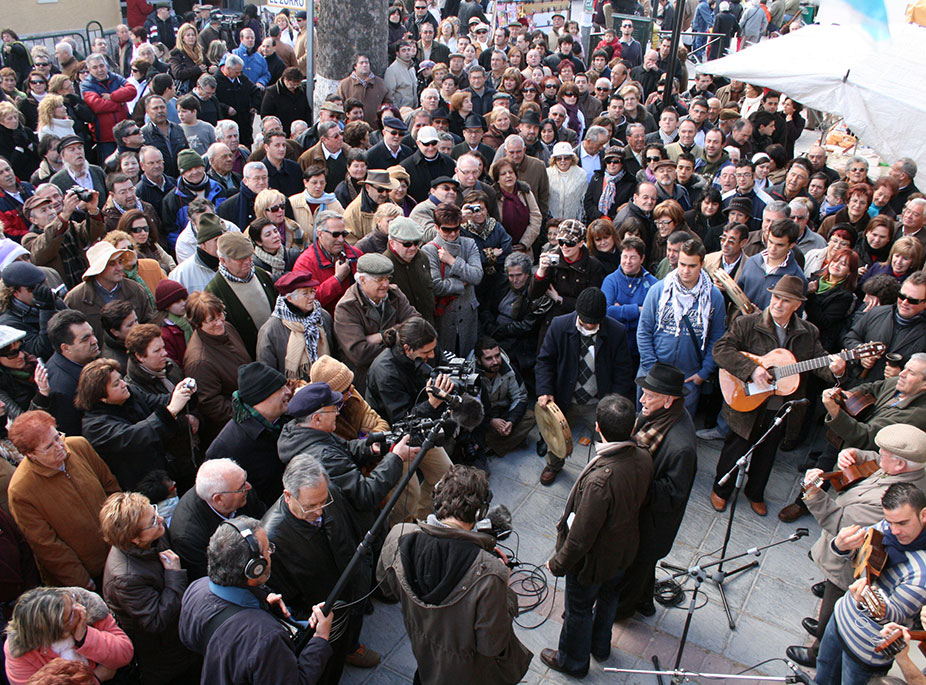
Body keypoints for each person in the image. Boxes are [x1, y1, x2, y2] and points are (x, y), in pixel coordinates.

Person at [785, 425, 926, 670]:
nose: (878, 454)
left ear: (900, 465)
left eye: (884, 453)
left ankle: (818, 652)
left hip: (850, 565)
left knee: (834, 600)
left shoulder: (892, 499)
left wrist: (814, 494)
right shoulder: (913, 469)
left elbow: (840, 523)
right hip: (862, 555)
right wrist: (853, 454)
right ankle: (822, 626)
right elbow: (874, 459)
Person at [377, 464, 533, 684]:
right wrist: (505, 589)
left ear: (438, 500)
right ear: (480, 513)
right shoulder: (491, 573)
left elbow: (386, 586)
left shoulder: (398, 535)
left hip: (425, 659)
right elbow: (492, 645)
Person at [710, 275, 839, 515]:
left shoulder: (808, 332)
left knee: (767, 452)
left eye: (786, 301)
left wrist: (835, 369)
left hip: (778, 405)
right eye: (776, 297)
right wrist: (752, 369)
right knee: (735, 448)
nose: (778, 304)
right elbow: (721, 350)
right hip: (746, 398)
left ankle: (755, 492)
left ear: (797, 305)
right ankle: (721, 489)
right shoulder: (747, 323)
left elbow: (819, 363)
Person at [178, 515, 333, 683]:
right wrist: (320, 639)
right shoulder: (266, 636)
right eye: (267, 550)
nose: (270, 553)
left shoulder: (195, 589)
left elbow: (189, 640)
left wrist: (260, 601)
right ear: (254, 570)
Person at [813, 483, 926, 684]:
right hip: (841, 618)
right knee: (822, 677)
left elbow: (896, 616)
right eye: (890, 522)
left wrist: (867, 598)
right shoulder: (887, 527)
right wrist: (841, 546)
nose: (895, 530)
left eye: (902, 523)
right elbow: (861, 551)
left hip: (867, 649)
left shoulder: (921, 570)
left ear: (923, 515)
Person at [614, 363, 698, 619]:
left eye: (650, 395)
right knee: (643, 569)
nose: (642, 400)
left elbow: (673, 495)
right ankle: (645, 603)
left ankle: (621, 612)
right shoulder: (660, 416)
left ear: (669, 400)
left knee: (636, 569)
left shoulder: (681, 446)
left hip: (651, 526)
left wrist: (632, 479)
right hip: (643, 520)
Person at [6, 410, 120, 589]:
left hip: (120, 550)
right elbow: (48, 546)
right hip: (90, 574)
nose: (60, 446)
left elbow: (110, 487)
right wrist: (82, 582)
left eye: (57, 437)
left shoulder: (78, 446)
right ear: (31, 454)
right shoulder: (21, 490)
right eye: (49, 447)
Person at [535, 288, 634, 484]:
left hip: (599, 401)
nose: (589, 326)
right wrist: (545, 390)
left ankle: (602, 474)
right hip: (564, 398)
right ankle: (553, 464)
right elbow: (545, 361)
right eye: (585, 321)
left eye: (593, 323)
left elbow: (623, 372)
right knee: (555, 437)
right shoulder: (559, 325)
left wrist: (615, 405)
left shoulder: (616, 331)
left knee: (607, 442)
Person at [99, 492, 200, 684]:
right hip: (166, 657)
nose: (160, 518)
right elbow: (157, 620)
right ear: (134, 539)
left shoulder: (154, 536)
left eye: (154, 511)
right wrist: (174, 575)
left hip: (182, 640)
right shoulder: (125, 578)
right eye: (152, 521)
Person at [364, 317, 455, 518]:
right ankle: (398, 536)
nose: (432, 356)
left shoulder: (427, 349)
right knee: (408, 496)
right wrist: (432, 403)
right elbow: (401, 420)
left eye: (433, 349)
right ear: (407, 349)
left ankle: (421, 520)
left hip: (421, 425)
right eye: (426, 353)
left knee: (446, 476)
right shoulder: (385, 371)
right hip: (394, 436)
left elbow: (441, 365)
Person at [76, 357, 196, 491]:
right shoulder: (96, 427)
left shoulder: (131, 393)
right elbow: (137, 435)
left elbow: (158, 402)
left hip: (164, 470)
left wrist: (183, 393)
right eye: (116, 384)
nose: (123, 384)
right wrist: (171, 410)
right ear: (101, 396)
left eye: (120, 379)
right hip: (138, 486)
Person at [637, 239, 726, 414]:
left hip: (688, 376)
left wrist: (703, 373)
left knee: (679, 425)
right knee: (646, 421)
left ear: (702, 264)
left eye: (692, 266)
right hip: (653, 370)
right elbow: (644, 330)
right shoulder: (659, 290)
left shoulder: (713, 297)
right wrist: (650, 366)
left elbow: (717, 337)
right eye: (682, 264)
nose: (685, 271)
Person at [3, 586, 134, 685]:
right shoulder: (19, 651)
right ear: (57, 631)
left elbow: (125, 653)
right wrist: (96, 678)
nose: (80, 609)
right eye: (71, 614)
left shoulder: (90, 607)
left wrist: (85, 637)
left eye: (72, 600)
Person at [205, 362, 291, 506]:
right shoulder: (226, 447)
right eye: (280, 388)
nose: (288, 391)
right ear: (262, 397)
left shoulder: (286, 420)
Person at [844, 271, 926, 383]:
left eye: (913, 300)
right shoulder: (877, 313)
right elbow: (850, 338)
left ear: (924, 303)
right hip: (858, 383)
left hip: (892, 394)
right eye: (902, 296)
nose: (904, 302)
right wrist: (861, 354)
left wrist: (902, 374)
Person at [530, 220, 607, 339]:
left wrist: (560, 299)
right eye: (561, 242)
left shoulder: (593, 267)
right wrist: (541, 271)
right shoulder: (552, 259)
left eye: (569, 243)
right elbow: (533, 294)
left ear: (581, 243)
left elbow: (590, 303)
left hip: (580, 324)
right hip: (552, 322)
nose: (564, 246)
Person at [204, 232, 276, 358]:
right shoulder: (214, 292)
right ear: (223, 261)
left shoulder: (261, 274)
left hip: (275, 348)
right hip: (249, 357)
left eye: (249, 256)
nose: (248, 262)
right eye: (240, 259)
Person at [256, 271, 333, 380]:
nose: (311, 297)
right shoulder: (270, 330)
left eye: (312, 291)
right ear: (289, 298)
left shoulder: (323, 317)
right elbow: (267, 371)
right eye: (305, 293)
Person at [292, 211, 364, 313]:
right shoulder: (305, 263)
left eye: (344, 234)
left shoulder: (356, 255)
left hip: (357, 316)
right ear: (320, 234)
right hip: (323, 321)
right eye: (335, 234)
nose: (340, 239)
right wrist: (337, 279)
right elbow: (308, 302)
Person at [43, 309, 100, 436]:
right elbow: (72, 434)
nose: (94, 341)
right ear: (66, 348)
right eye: (85, 339)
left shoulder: (84, 360)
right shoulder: (62, 388)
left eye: (92, 334)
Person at [0, 261, 67, 360]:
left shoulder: (53, 302)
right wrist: (46, 311)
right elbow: (41, 351)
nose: (39, 291)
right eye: (31, 289)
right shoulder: (9, 322)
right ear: (16, 293)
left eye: (41, 284)